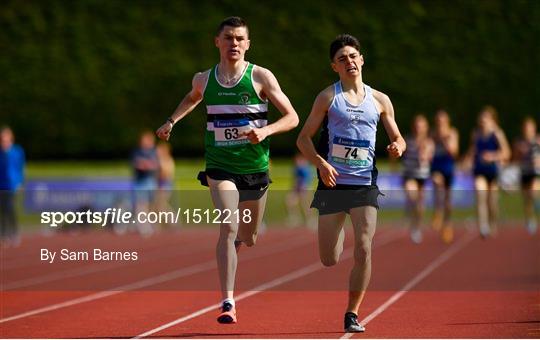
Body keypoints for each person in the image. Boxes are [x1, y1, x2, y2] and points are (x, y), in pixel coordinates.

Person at [155, 16, 298, 324]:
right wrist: (171, 121)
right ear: (217, 42)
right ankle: (228, 301)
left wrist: (265, 131)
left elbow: (293, 117)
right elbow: (192, 98)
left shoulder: (260, 77)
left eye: (239, 39)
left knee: (249, 236)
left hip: (256, 168)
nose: (234, 43)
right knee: (229, 226)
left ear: (247, 44)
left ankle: (237, 243)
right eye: (228, 38)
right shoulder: (204, 79)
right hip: (220, 167)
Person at [296, 34, 406, 333]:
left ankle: (352, 312)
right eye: (342, 58)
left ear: (362, 60)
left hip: (363, 185)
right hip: (333, 184)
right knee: (329, 258)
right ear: (335, 66)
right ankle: (340, 230)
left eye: (353, 56)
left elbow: (398, 137)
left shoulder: (380, 100)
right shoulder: (328, 98)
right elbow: (302, 139)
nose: (349, 61)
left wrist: (398, 145)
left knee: (365, 248)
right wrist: (321, 163)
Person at [465, 106, 510, 238]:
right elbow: (473, 150)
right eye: (481, 120)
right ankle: (483, 225)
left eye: (486, 119)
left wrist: (492, 156)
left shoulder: (497, 133)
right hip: (479, 170)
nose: (483, 122)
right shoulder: (476, 134)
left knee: (492, 201)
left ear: (492, 120)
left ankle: (493, 223)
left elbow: (507, 152)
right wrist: (467, 160)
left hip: (493, 171)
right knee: (480, 194)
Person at [401, 114, 434, 244]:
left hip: (423, 176)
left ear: (425, 128)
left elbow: (427, 157)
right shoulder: (408, 140)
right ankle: (410, 205)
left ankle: (417, 227)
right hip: (409, 174)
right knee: (411, 193)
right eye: (416, 126)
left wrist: (423, 153)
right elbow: (400, 151)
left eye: (421, 126)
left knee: (420, 206)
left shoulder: (429, 142)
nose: (418, 129)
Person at [430, 109, 459, 243]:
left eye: (442, 121)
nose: (440, 124)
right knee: (437, 182)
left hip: (448, 169)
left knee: (448, 202)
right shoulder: (432, 134)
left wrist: (445, 140)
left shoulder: (452, 133)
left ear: (447, 122)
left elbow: (454, 152)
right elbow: (428, 151)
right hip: (436, 168)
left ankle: (447, 226)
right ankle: (437, 212)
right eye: (438, 121)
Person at [512, 117, 540, 234]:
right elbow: (515, 158)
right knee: (526, 199)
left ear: (533, 128)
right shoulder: (519, 142)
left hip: (536, 172)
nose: (528, 129)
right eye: (526, 127)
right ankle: (530, 218)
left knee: (533, 192)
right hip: (524, 171)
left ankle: (536, 206)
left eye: (530, 127)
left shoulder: (538, 140)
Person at [0, 126, 25, 247]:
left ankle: (14, 233)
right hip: (1, 184)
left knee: (10, 209)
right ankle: (4, 234)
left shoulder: (17, 151)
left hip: (12, 184)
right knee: (3, 210)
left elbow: (20, 167)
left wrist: (20, 182)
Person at [131, 130, 159, 235]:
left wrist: (146, 164)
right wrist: (146, 164)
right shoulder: (137, 151)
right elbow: (137, 164)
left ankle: (151, 225)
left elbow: (155, 165)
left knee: (151, 205)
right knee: (141, 205)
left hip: (151, 181)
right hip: (140, 182)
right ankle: (143, 227)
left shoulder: (153, 152)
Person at [285, 153, 315, 228]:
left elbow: (307, 179)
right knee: (289, 201)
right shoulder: (297, 168)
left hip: (304, 188)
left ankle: (311, 220)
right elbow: (295, 180)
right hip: (297, 189)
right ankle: (294, 218)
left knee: (305, 205)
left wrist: (304, 188)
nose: (297, 161)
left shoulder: (305, 168)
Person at [155, 141, 176, 229]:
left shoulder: (167, 160)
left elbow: (165, 174)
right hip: (162, 185)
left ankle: (173, 221)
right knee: (159, 206)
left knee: (161, 206)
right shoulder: (161, 160)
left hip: (164, 185)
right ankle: (158, 225)